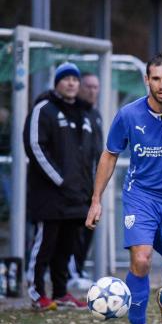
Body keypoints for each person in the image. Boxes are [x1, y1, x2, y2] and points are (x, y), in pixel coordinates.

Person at [85, 54, 162, 324]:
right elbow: (110, 154)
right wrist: (96, 200)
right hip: (140, 197)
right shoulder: (128, 115)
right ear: (146, 80)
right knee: (141, 259)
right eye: (156, 78)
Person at [23, 62, 99, 311]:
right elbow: (35, 147)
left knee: (66, 248)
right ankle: (36, 292)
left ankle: (60, 292)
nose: (71, 83)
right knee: (45, 245)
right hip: (50, 195)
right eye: (65, 79)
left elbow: (87, 156)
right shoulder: (44, 109)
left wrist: (88, 189)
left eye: (75, 80)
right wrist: (60, 180)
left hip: (76, 197)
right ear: (56, 82)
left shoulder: (84, 114)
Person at [68, 72, 103, 290]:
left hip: (92, 184)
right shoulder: (75, 113)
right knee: (74, 230)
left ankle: (78, 269)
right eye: (88, 86)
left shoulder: (95, 115)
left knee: (89, 229)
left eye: (95, 87)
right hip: (76, 185)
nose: (92, 90)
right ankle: (72, 273)